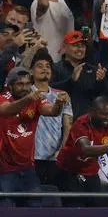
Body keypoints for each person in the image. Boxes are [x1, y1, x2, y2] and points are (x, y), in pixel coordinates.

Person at [0, 66, 69, 203]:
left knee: (35, 209)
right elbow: (6, 110)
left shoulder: (35, 100)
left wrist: (59, 103)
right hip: (4, 170)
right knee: (6, 210)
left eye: (27, 84)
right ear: (10, 86)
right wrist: (28, 99)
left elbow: (52, 111)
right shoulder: (3, 98)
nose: (25, 88)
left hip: (28, 168)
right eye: (20, 84)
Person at [55, 95, 108, 199]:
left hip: (91, 171)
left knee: (94, 206)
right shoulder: (81, 124)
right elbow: (86, 150)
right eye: (103, 114)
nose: (107, 118)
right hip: (68, 171)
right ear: (92, 111)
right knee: (73, 207)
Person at [30, 48, 72, 188]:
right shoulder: (26, 94)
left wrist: (63, 149)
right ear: (31, 71)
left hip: (55, 156)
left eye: (48, 66)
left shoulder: (62, 95)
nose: (45, 69)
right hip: (30, 157)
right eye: (39, 66)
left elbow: (67, 126)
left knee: (53, 198)